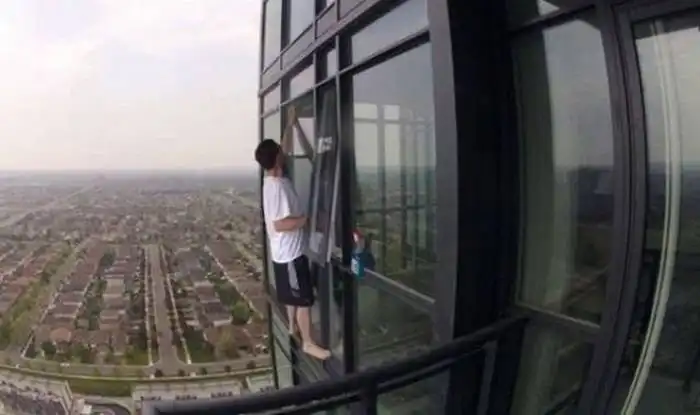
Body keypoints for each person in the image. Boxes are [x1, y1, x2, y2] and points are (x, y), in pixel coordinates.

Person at [255, 107, 330, 360]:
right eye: (280, 152)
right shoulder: (276, 188)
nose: (284, 153)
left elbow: (283, 148)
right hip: (290, 255)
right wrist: (308, 220)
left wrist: (290, 124)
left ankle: (291, 326)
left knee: (290, 295)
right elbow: (279, 225)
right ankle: (308, 342)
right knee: (303, 300)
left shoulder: (275, 178)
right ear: (277, 159)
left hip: (284, 255)